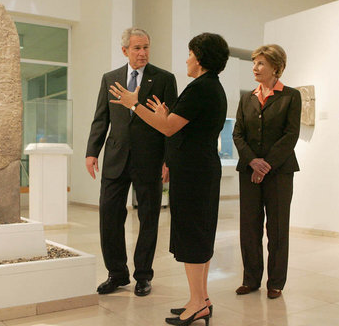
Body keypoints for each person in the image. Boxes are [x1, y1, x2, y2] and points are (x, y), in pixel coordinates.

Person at [109, 32, 229, 326]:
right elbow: (183, 124)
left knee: (193, 237)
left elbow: (168, 128)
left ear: (200, 58)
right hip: (199, 171)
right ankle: (199, 298)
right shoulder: (208, 86)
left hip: (194, 175)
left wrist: (134, 105)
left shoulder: (201, 88)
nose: (187, 59)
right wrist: (165, 114)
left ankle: (198, 303)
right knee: (199, 235)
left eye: (190, 54)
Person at [86, 27, 177, 297]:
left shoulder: (164, 79)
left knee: (149, 218)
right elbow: (101, 118)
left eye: (146, 47)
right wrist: (92, 151)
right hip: (115, 157)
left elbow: (170, 124)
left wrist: (168, 160)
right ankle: (116, 273)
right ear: (125, 50)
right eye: (137, 48)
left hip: (150, 159)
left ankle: (143, 276)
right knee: (109, 215)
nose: (143, 53)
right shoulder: (110, 78)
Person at [233, 44, 301, 299]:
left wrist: (267, 164)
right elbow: (238, 134)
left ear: (276, 67)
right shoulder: (246, 97)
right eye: (254, 63)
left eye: (260, 63)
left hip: (280, 172)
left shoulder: (291, 96)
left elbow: (290, 134)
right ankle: (251, 279)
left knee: (277, 227)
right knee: (249, 227)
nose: (255, 68)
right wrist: (253, 162)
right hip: (248, 172)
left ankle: (276, 282)